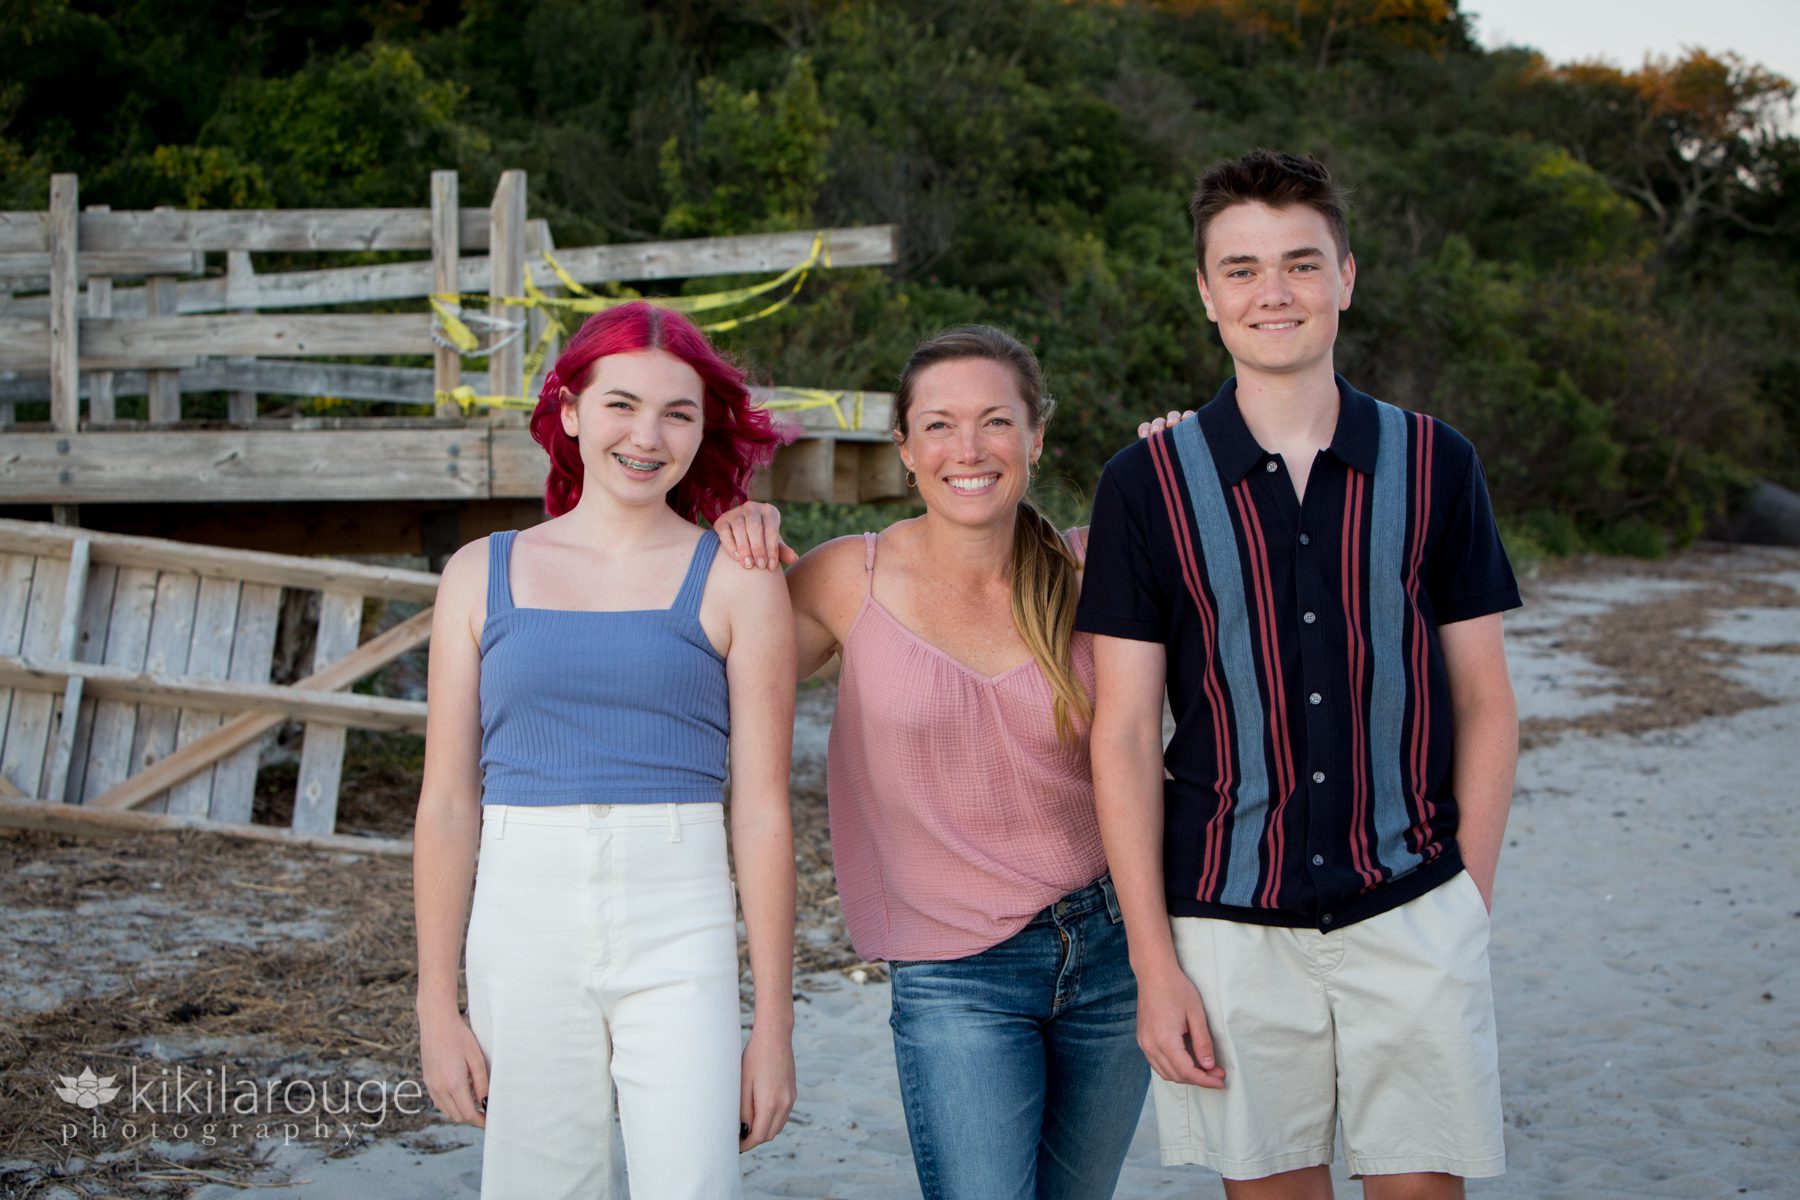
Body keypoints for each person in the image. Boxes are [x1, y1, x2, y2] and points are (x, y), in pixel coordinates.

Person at [1077, 149, 1521, 1199]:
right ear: (1204, 292)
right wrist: (1153, 963)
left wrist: (1467, 906)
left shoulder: (1436, 461)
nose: (1272, 292)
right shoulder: (1145, 483)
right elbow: (1128, 732)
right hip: (1226, 918)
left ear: (1347, 277)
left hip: (1413, 899)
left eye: (1300, 264)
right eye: (1241, 268)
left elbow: (1486, 703)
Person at [716, 325, 1151, 1200]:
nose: (969, 449)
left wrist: (1190, 463)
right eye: (940, 425)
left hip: (1115, 949)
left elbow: (1257, 605)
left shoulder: (1093, 567)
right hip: (955, 971)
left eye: (996, 422)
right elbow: (707, 653)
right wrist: (730, 527)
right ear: (905, 448)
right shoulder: (849, 580)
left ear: (1035, 437)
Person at [413, 300, 798, 1200]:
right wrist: (437, 1003)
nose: (647, 435)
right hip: (519, 923)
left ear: (704, 431)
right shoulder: (479, 572)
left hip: (683, 920)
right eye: (621, 403)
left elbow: (763, 807)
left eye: (679, 413)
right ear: (572, 410)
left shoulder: (740, 578)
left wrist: (772, 1023)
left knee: (694, 1185)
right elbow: (445, 801)